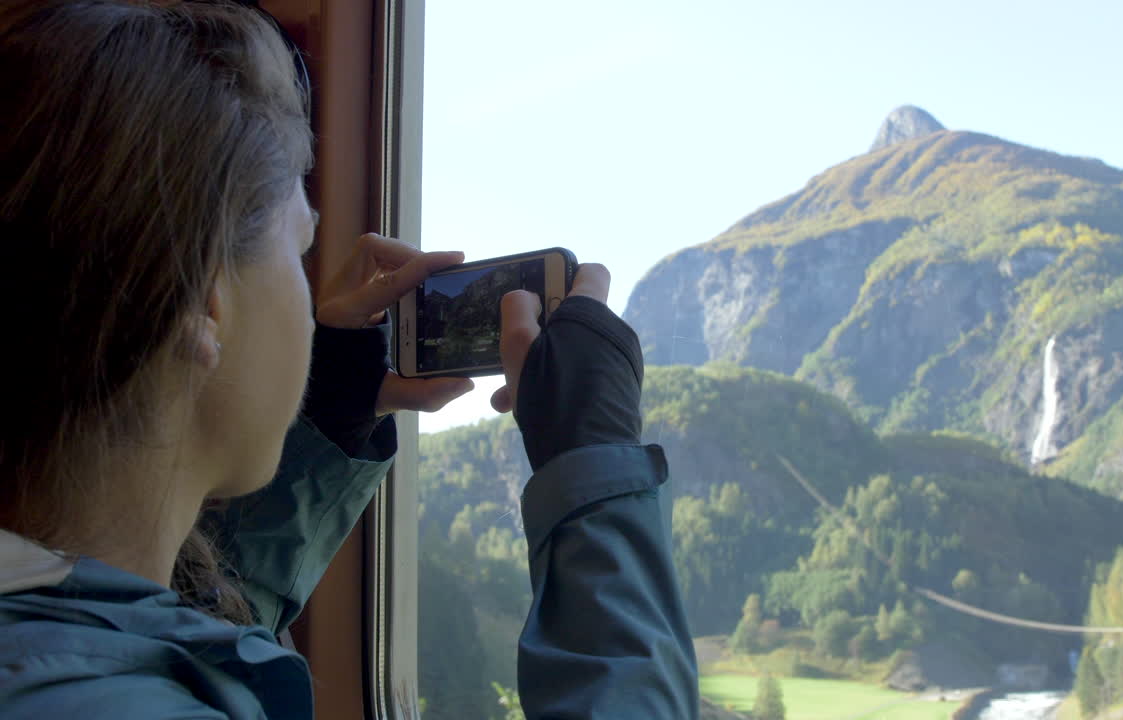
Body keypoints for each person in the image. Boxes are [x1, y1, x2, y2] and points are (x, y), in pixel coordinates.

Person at [0, 2, 697, 718]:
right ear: (207, 304)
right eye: (299, 250)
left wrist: (329, 411)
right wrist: (593, 466)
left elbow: (191, 631)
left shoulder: (65, 638)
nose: (313, 296)